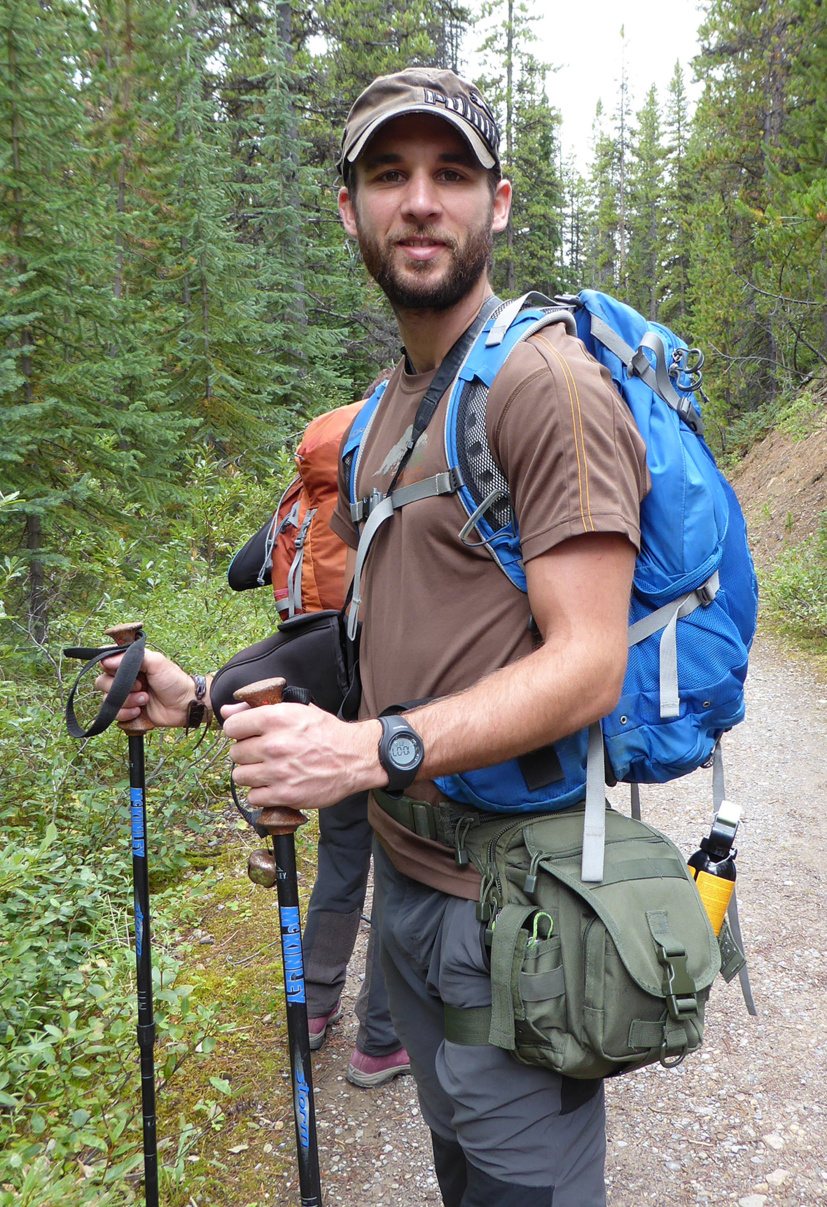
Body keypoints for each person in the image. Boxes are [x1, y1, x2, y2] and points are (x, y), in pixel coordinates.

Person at [100, 68, 649, 1206]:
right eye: (389, 175)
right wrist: (205, 695)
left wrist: (367, 751)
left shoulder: (545, 387)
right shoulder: (382, 415)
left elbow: (589, 661)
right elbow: (363, 643)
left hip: (517, 908)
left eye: (450, 173)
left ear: (498, 202)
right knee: (458, 1171)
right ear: (347, 208)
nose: (420, 201)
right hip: (408, 890)